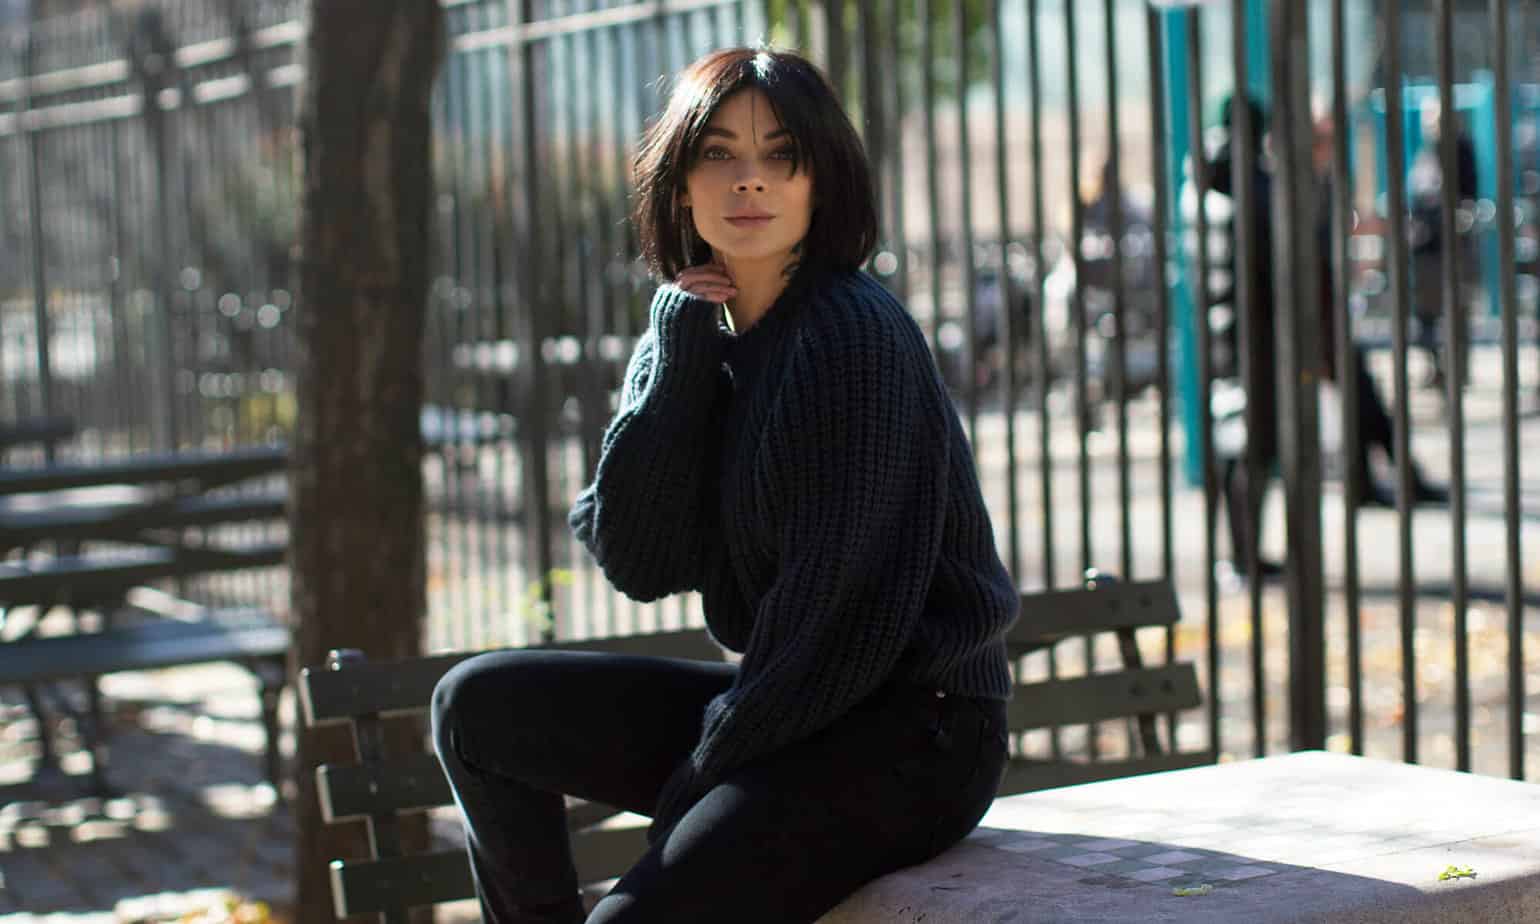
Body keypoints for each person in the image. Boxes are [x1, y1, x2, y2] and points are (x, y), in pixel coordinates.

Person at [431, 47, 1019, 924]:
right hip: (794, 705)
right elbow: (635, 555)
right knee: (473, 706)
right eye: (719, 155)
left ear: (822, 183)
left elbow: (838, 622)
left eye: (781, 156)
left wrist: (700, 779)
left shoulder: (850, 337)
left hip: (912, 734)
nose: (750, 182)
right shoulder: (702, 331)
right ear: (679, 185)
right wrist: (676, 360)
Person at [1311, 116, 1447, 509]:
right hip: (1318, 322)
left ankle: (1371, 482)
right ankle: (1396, 478)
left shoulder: (1324, 183)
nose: (1329, 147)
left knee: (1363, 399)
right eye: (1323, 138)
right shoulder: (1305, 186)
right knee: (1364, 398)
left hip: (1327, 317)